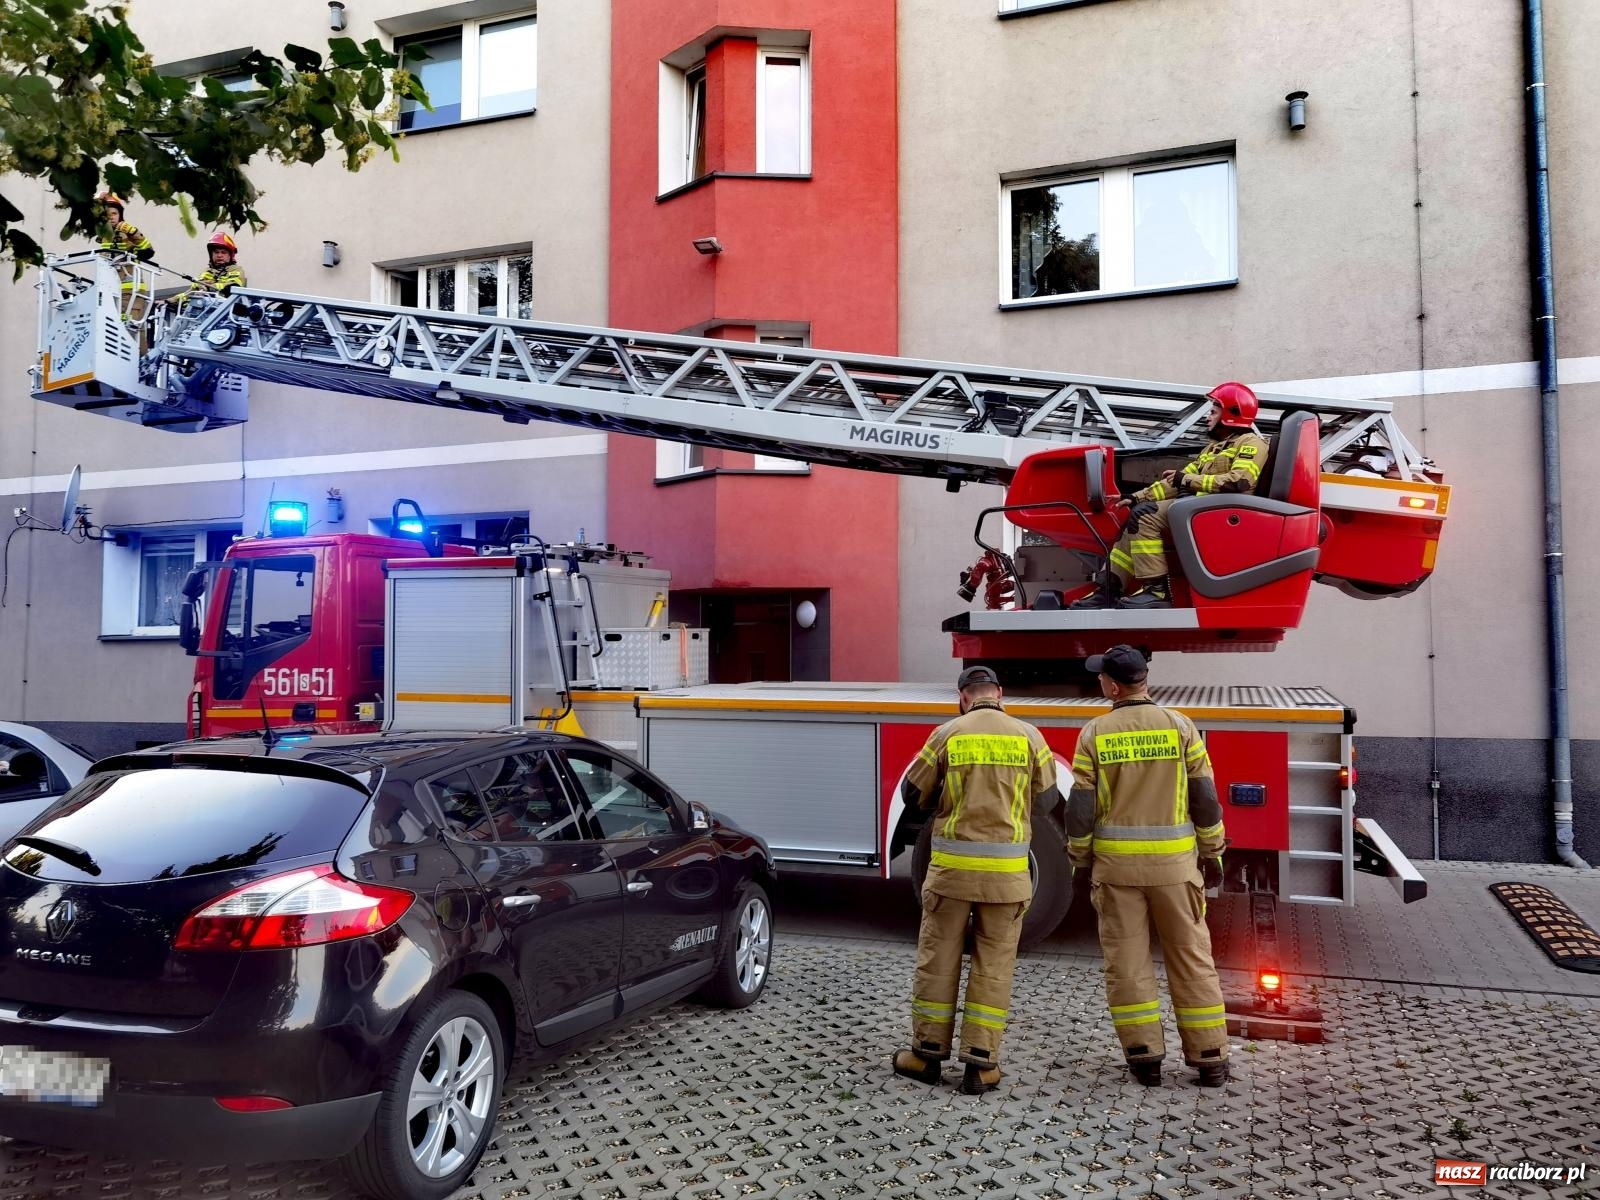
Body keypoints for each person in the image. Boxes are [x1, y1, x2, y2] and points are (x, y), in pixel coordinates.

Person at [1066, 645, 1230, 1088]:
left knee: (1128, 964)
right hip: (1176, 871)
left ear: (1114, 686)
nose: (1099, 682)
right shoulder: (1180, 727)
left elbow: (1080, 810)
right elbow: (1205, 798)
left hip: (1117, 873)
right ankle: (1210, 1057)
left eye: (1101, 677)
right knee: (1192, 959)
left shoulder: (1094, 734)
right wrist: (1212, 852)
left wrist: (1080, 860)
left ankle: (1145, 1059)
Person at [892, 665, 1061, 1095]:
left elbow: (912, 793)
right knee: (994, 968)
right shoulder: (1029, 736)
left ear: (963, 696)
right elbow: (1047, 799)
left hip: (951, 875)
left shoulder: (948, 733)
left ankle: (926, 1056)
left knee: (938, 959)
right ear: (999, 693)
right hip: (1007, 879)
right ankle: (980, 1065)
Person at [1074, 381, 1268, 610]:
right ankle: (1108, 590)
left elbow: (1240, 482)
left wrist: (1186, 480)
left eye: (1213, 412)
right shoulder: (1213, 448)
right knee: (1132, 522)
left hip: (1222, 511)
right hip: (1203, 508)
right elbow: (1177, 480)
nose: (1208, 418)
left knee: (1145, 517)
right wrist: (1137, 497)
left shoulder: (1251, 443)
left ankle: (1156, 592)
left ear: (1230, 414)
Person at [176, 231, 247, 304]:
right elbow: (190, 292)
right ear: (211, 255)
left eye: (223, 252)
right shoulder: (206, 272)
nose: (219, 255)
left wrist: (208, 288)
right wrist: (171, 301)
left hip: (222, 310)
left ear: (230, 256)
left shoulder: (236, 270)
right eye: (216, 252)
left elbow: (233, 287)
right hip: (198, 311)